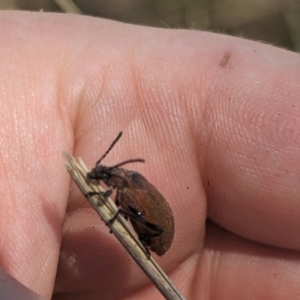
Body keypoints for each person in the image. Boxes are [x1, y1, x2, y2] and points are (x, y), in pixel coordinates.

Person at [0, 10, 299, 300]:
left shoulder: (127, 186)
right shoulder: (123, 184)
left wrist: (120, 214)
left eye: (106, 175)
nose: (101, 178)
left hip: (156, 235)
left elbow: (143, 217)